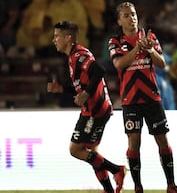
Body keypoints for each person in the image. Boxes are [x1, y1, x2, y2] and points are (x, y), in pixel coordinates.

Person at [108, 2, 177, 193]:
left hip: (152, 98)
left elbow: (162, 64)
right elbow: (119, 64)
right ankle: (138, 186)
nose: (131, 18)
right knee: (134, 142)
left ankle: (171, 184)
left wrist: (149, 49)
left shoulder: (150, 37)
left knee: (163, 141)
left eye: (133, 14)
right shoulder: (115, 42)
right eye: (126, 15)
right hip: (130, 100)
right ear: (119, 20)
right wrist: (136, 49)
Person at [47, 21, 126, 193]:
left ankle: (116, 170)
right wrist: (61, 89)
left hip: (95, 110)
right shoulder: (72, 57)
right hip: (96, 109)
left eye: (57, 36)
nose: (54, 40)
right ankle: (109, 189)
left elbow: (99, 71)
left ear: (68, 38)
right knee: (92, 155)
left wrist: (86, 94)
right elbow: (81, 85)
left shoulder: (79, 55)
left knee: (76, 149)